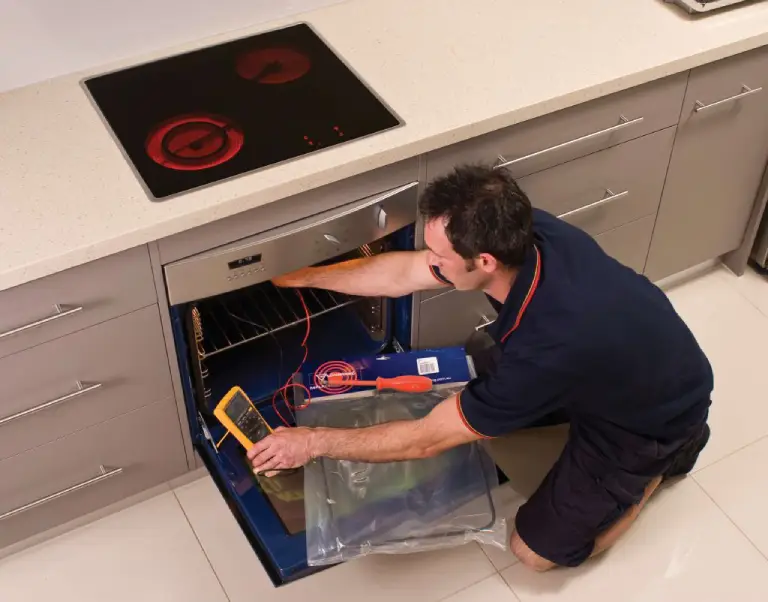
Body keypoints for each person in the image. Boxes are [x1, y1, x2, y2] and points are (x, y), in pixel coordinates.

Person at [247, 164, 713, 571]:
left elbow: (425, 440)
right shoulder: (526, 234)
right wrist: (300, 277)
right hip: (623, 360)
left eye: (440, 259)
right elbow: (400, 274)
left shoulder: (546, 348)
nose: (431, 263)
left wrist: (313, 442)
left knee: (534, 552)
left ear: (484, 261)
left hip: (650, 417)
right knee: (484, 366)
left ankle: (661, 464)